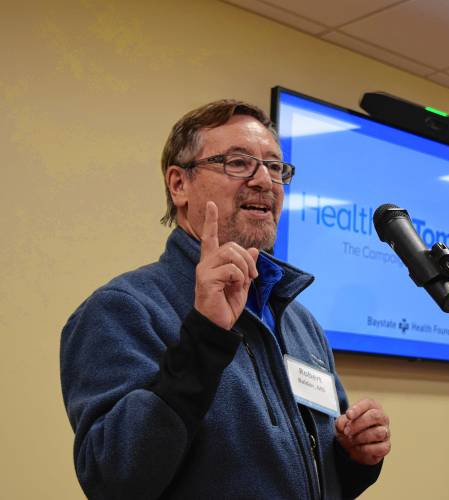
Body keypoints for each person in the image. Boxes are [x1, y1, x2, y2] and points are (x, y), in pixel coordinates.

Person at [60, 100, 391, 499]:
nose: (264, 181)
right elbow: (113, 479)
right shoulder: (121, 310)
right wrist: (205, 336)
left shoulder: (299, 321)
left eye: (274, 166)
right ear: (178, 184)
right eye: (238, 162)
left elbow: (303, 470)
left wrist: (353, 456)